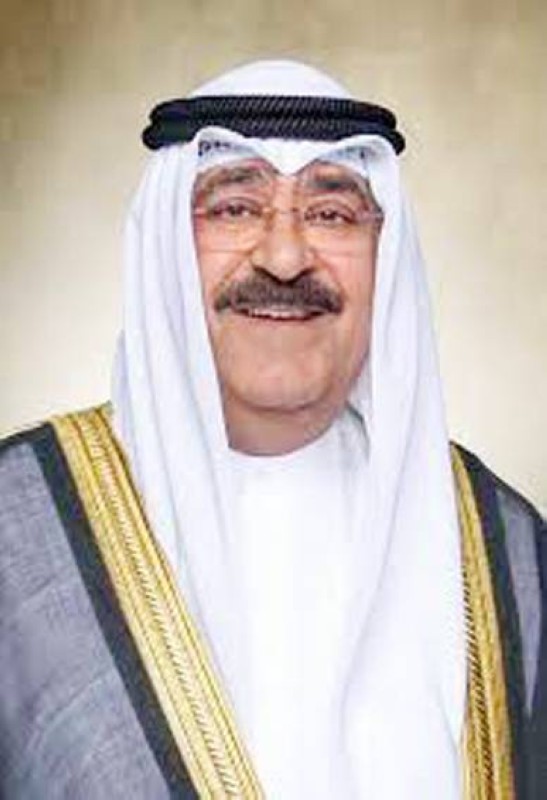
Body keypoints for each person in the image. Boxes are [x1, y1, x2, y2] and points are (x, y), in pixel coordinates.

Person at [0, 60, 544, 800]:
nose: (284, 257)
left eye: (332, 214)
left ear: (385, 257)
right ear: (165, 247)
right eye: (233, 208)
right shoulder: (20, 533)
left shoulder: (504, 547)